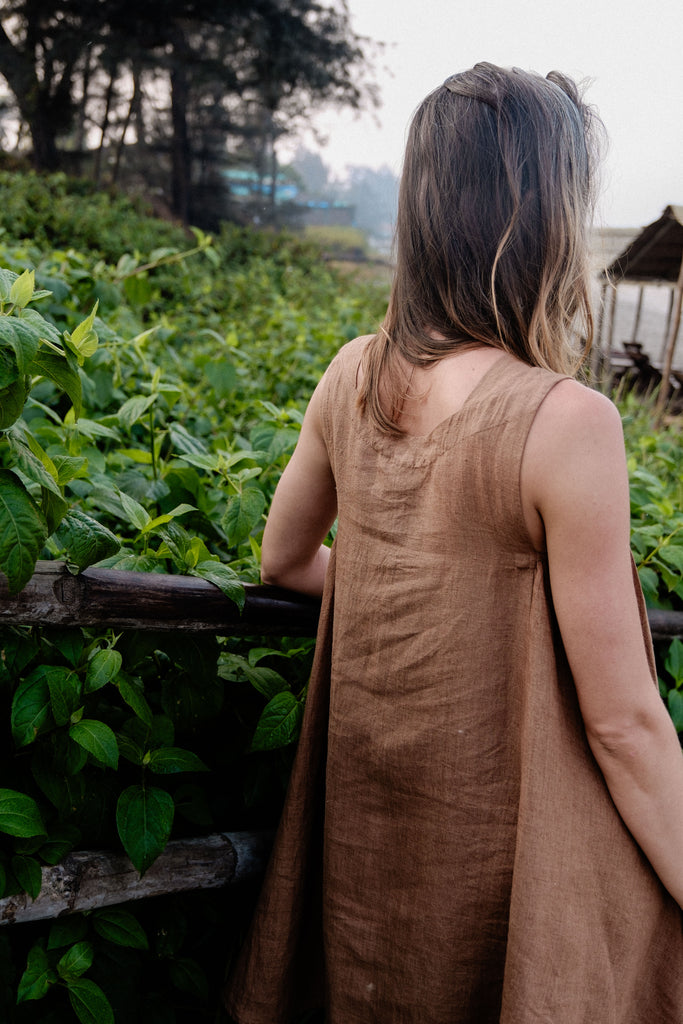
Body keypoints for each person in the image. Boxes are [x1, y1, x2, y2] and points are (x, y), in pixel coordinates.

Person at [224, 63, 683, 1024]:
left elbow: (284, 561)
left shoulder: (350, 372)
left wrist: (417, 583)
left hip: (371, 854)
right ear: (542, 218)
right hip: (495, 857)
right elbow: (625, 726)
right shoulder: (567, 420)